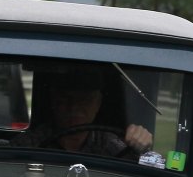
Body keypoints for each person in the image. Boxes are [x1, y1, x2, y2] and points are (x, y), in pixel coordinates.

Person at [15, 63, 153, 157]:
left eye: (84, 100)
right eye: (65, 99)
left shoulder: (112, 145)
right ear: (53, 101)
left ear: (98, 104)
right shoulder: (32, 143)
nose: (74, 107)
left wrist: (141, 147)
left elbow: (143, 172)